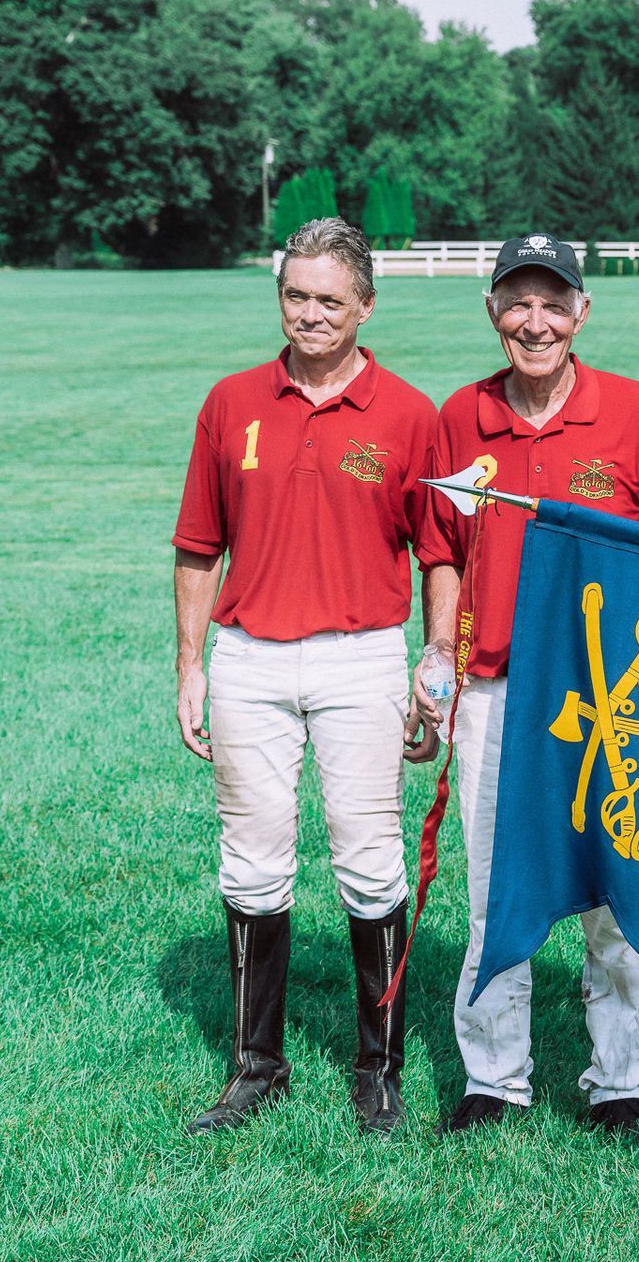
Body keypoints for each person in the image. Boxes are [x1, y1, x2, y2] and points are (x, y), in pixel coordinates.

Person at [412, 234, 639, 1138]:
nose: (534, 322)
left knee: (614, 891)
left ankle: (618, 1080)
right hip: (495, 694)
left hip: (611, 701)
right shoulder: (462, 417)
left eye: (552, 303)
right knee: (498, 892)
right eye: (516, 302)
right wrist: (439, 656)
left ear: (581, 312)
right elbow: (442, 553)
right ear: (493, 310)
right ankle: (494, 1077)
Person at [173, 218, 435, 1135]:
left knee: (370, 863)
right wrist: (190, 667)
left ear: (366, 304)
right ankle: (257, 1069)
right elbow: (199, 546)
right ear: (278, 296)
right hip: (247, 658)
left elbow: (439, 553)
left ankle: (379, 1066)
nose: (311, 313)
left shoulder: (410, 415)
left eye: (330, 298)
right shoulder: (231, 401)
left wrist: (433, 670)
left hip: (362, 656)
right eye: (296, 295)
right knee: (252, 864)